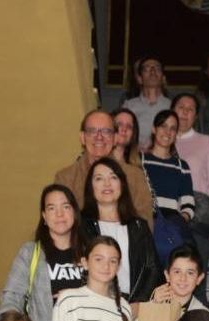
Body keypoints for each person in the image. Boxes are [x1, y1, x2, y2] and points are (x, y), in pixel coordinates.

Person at [0, 184, 86, 321]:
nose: (59, 214)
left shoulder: (91, 252)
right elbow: (11, 297)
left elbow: (107, 295)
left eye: (65, 206)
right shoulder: (30, 253)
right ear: (44, 216)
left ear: (74, 212)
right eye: (51, 208)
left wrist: (72, 297)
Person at [77, 159, 161, 303]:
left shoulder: (139, 226)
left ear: (122, 184)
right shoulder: (80, 226)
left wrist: (137, 304)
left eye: (113, 177)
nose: (107, 183)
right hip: (95, 304)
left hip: (136, 309)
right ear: (90, 187)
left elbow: (152, 269)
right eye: (99, 178)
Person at [46, 235, 133, 321]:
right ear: (85, 262)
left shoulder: (124, 307)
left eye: (113, 261)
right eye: (98, 259)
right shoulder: (68, 299)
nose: (106, 266)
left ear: (119, 266)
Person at [56, 110, 155, 223]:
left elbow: (145, 224)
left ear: (115, 138)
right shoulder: (66, 178)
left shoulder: (134, 176)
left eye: (106, 131)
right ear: (82, 137)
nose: (99, 137)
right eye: (92, 131)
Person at [143, 110, 197, 264]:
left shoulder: (181, 165)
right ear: (154, 129)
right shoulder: (140, 160)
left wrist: (178, 222)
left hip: (171, 228)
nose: (168, 132)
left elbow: (188, 203)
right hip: (145, 226)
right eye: (163, 126)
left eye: (173, 128)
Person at [172, 93, 209, 227]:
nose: (185, 112)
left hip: (198, 216)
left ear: (195, 117)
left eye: (190, 109)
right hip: (167, 214)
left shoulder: (206, 142)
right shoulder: (158, 141)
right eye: (181, 107)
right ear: (171, 111)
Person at [123, 57, 171, 147]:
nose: (152, 71)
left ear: (163, 78)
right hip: (136, 157)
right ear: (139, 79)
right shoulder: (128, 106)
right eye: (147, 68)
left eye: (157, 68)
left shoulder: (171, 106)